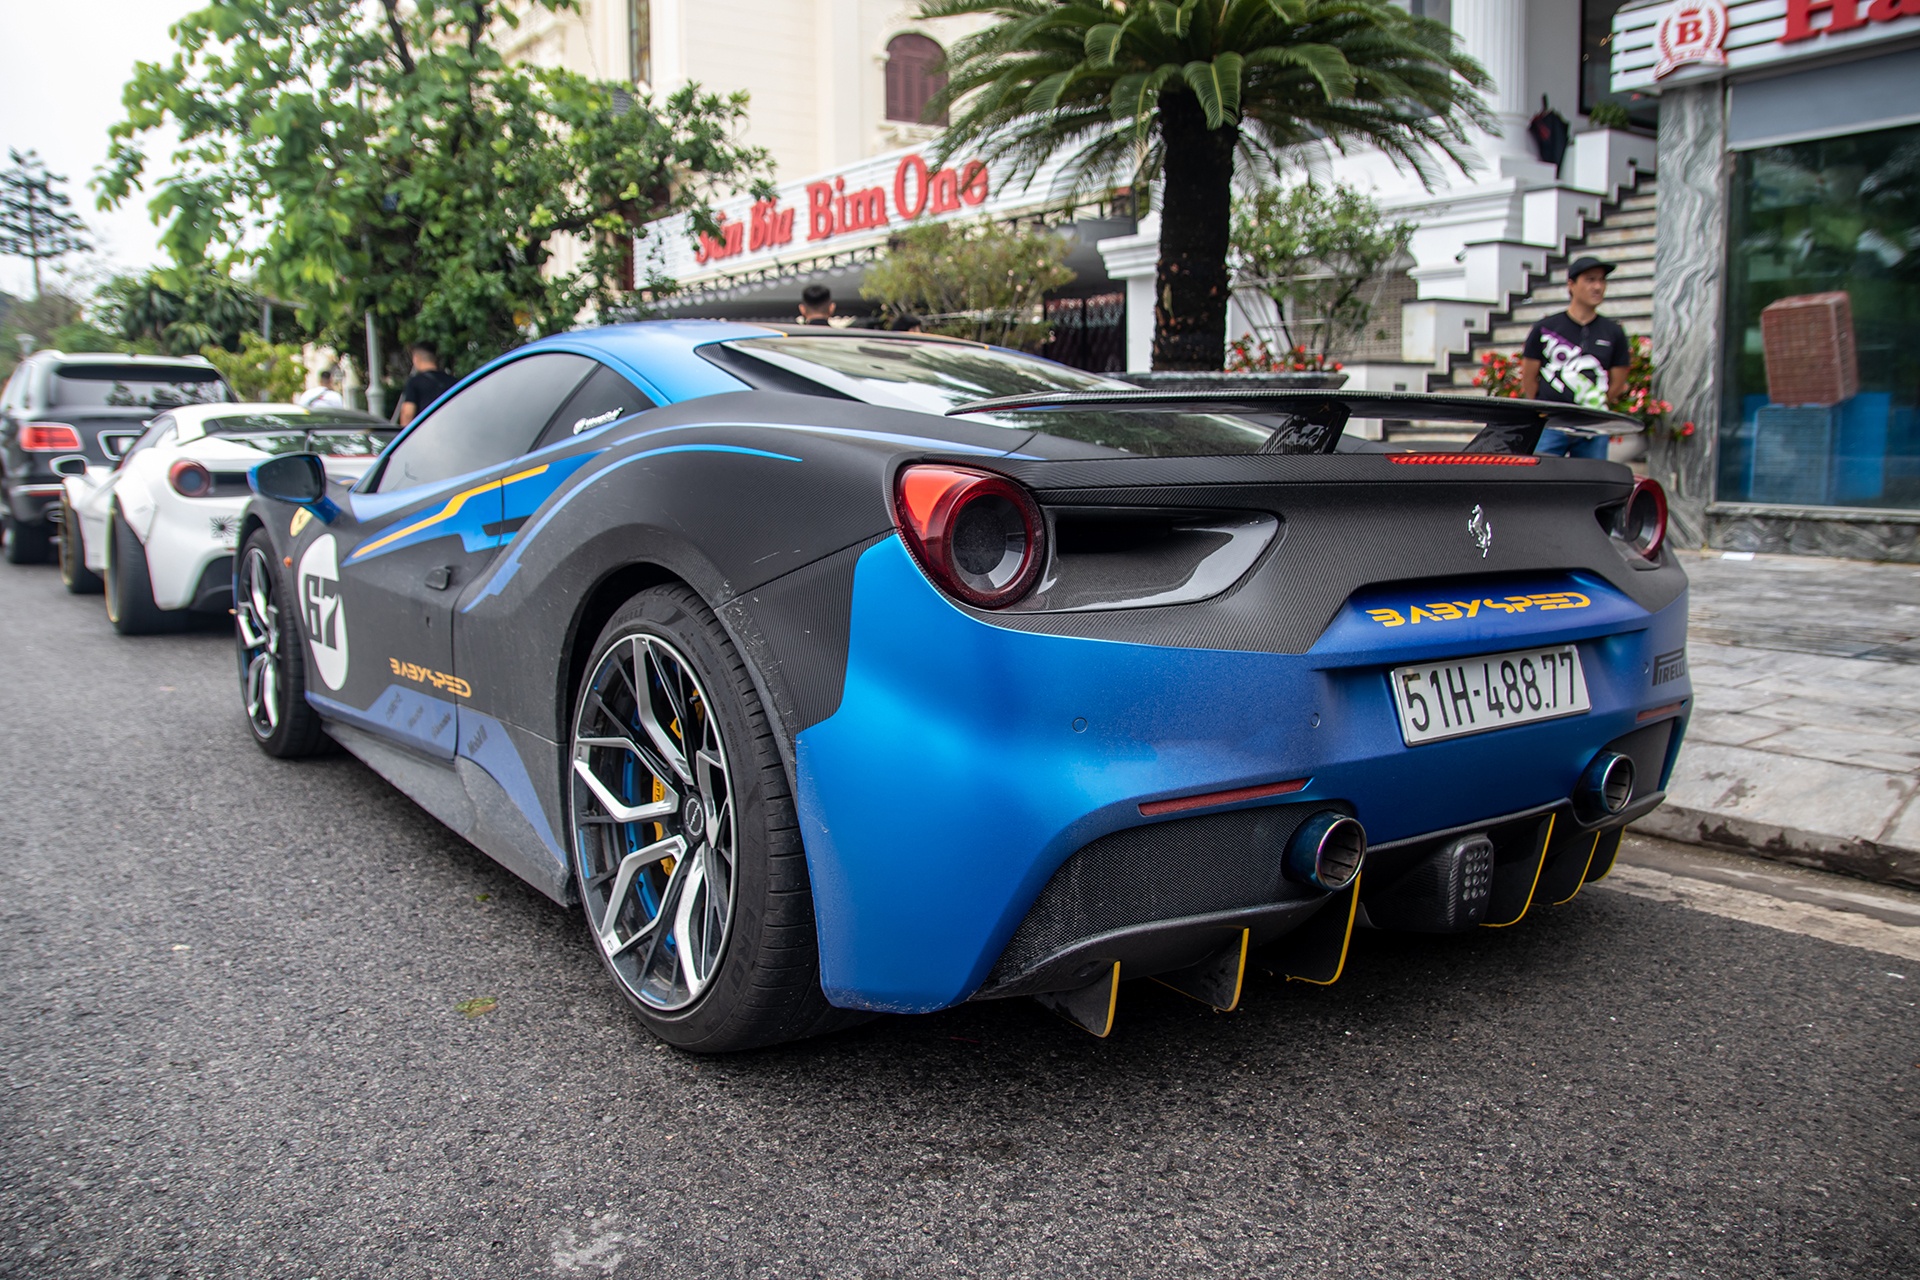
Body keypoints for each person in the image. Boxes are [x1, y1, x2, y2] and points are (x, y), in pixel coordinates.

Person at [1521, 256, 1631, 458]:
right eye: (1590, 280)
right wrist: (1542, 408)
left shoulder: (1613, 331)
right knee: (1542, 480)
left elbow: (1618, 379)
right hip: (1551, 423)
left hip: (1593, 427)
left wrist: (1595, 405)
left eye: (1601, 280)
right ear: (1571, 285)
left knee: (1591, 483)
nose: (1598, 287)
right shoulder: (1546, 328)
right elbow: (1529, 376)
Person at [397, 343, 458, 427]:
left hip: (425, 432)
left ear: (416, 358)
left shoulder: (415, 382)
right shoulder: (452, 381)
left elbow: (407, 413)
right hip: (449, 430)